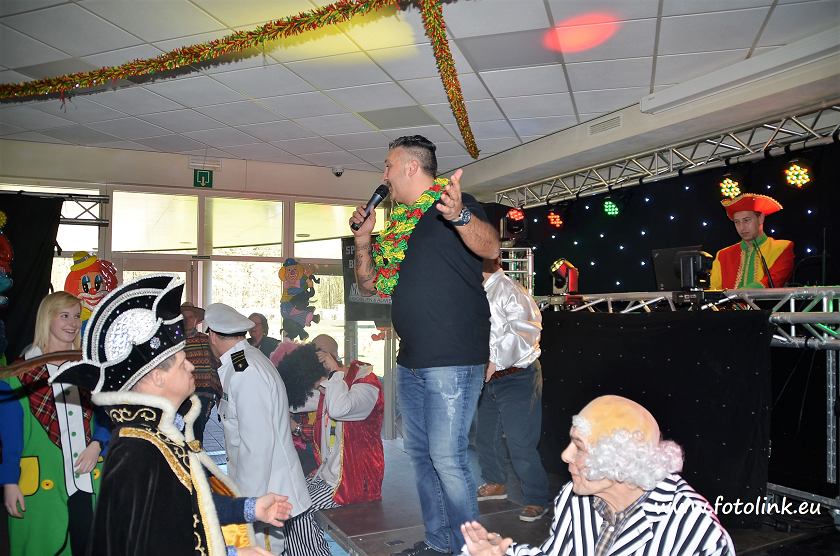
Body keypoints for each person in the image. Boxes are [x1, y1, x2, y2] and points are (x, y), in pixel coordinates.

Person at [49, 275, 291, 556]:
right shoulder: (136, 449)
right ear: (157, 377)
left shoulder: (159, 435)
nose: (191, 367)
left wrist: (250, 508)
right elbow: (156, 544)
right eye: (181, 362)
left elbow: (189, 506)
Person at [350, 135, 500, 556]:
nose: (384, 175)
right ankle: (439, 541)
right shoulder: (399, 226)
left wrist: (460, 214)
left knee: (448, 458)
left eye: (388, 165)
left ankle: (470, 549)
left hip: (453, 358)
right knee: (420, 454)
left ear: (411, 167)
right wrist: (363, 241)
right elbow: (370, 285)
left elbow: (491, 246)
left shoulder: (454, 205)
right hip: (412, 360)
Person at [460, 395, 735, 556]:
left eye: (579, 446)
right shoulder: (575, 498)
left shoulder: (692, 528)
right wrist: (503, 553)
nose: (565, 455)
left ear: (620, 459)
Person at [205, 303, 324, 556]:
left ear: (213, 335)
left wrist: (250, 505)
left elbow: (257, 446)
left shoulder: (245, 371)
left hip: (266, 490)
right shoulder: (242, 361)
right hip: (265, 487)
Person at [0, 291, 109, 556]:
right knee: (42, 546)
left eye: (76, 316)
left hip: (89, 479)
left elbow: (109, 416)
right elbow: (9, 438)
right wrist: (9, 482)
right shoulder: (18, 373)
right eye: (64, 316)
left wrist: (98, 444)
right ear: (46, 318)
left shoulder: (91, 367)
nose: (73, 323)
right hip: (42, 484)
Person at [475, 258, 551, 523]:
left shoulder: (510, 290)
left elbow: (525, 332)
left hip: (517, 376)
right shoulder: (478, 290)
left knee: (520, 441)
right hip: (491, 377)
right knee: (486, 436)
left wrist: (494, 362)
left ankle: (537, 498)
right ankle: (495, 482)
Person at [286, 334, 384, 506]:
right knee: (286, 499)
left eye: (320, 355)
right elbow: (294, 402)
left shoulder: (365, 382)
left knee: (295, 509)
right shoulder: (329, 386)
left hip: (353, 484)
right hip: (327, 476)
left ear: (333, 357)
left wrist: (334, 372)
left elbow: (339, 409)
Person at [710, 193, 794, 289]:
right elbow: (714, 292)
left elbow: (775, 280)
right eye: (737, 222)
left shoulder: (782, 247)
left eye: (746, 220)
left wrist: (737, 294)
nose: (742, 227)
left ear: (761, 218)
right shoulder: (723, 255)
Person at [180, 302, 222, 443]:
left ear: (197, 320)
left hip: (204, 396)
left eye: (191, 317)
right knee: (180, 434)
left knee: (196, 434)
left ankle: (195, 456)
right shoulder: (174, 342)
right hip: (180, 397)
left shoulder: (207, 340)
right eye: (184, 317)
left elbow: (217, 365)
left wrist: (219, 394)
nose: (187, 320)